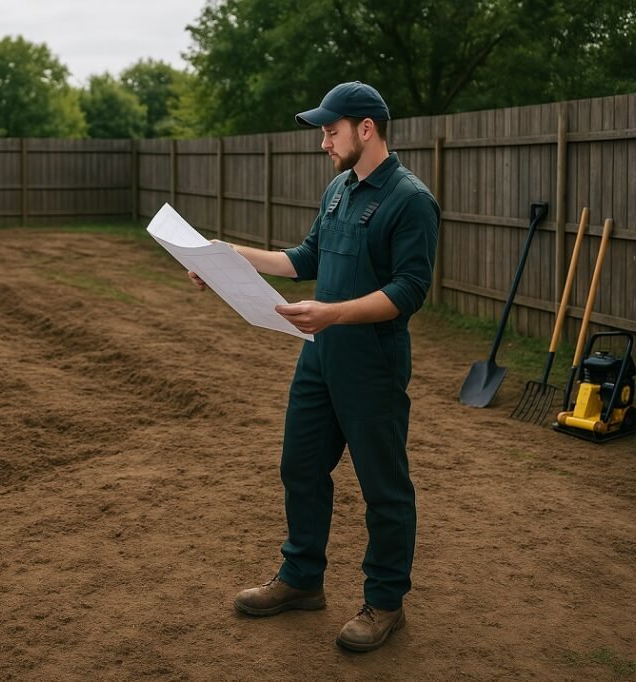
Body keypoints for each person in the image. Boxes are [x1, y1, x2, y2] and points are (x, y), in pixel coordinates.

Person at [188, 81, 439, 652]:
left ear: (365, 128)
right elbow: (304, 259)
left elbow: (410, 289)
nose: (324, 142)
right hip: (319, 359)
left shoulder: (410, 199)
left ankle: (385, 602)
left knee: (384, 487)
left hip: (372, 363)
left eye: (331, 130)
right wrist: (226, 253)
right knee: (300, 466)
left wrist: (334, 313)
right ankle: (302, 579)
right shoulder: (337, 190)